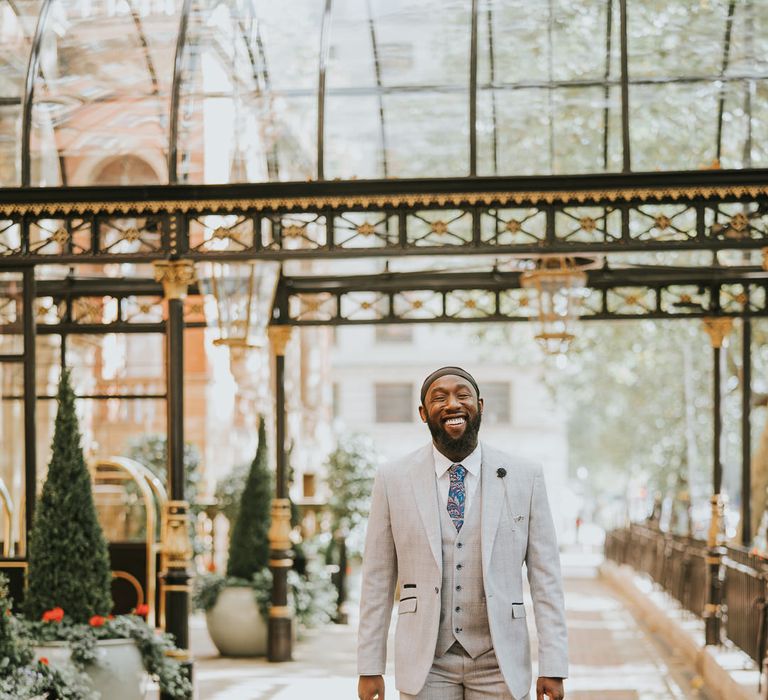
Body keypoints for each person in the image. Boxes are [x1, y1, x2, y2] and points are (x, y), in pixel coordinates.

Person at [357, 367, 568, 700]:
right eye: (439, 398)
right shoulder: (393, 478)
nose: (452, 404)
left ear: (480, 405)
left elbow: (547, 579)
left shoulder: (525, 476)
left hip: (499, 662)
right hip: (427, 664)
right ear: (423, 413)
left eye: (462, 395)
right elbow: (377, 579)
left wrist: (553, 665)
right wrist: (370, 666)